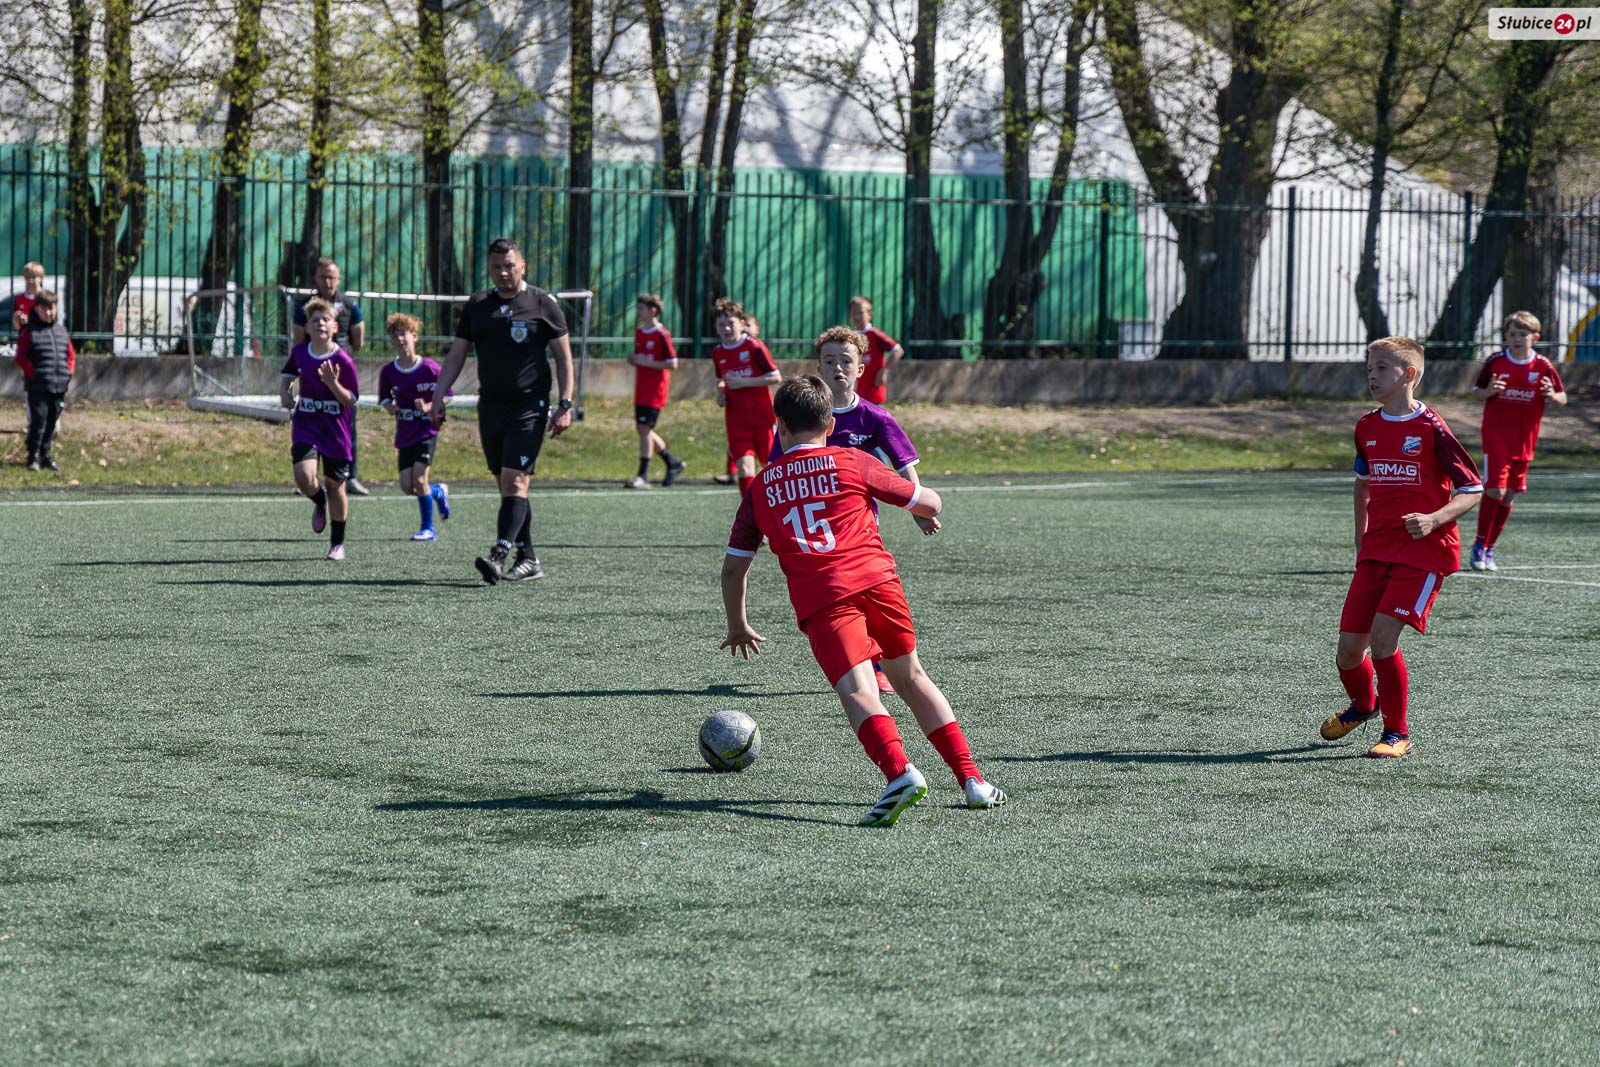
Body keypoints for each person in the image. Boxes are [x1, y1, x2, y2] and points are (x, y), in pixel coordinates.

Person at [720, 373, 1007, 827]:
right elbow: (928, 504)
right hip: (879, 583)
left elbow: (734, 568)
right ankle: (973, 781)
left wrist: (737, 624)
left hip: (825, 598)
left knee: (859, 691)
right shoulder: (852, 461)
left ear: (778, 426)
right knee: (912, 677)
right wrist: (929, 498)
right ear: (831, 424)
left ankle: (900, 772)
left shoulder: (760, 488)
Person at [1320, 337, 1482, 759]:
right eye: (1369, 368)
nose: (1372, 376)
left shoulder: (1432, 428)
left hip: (1424, 551)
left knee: (1382, 640)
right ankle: (1364, 705)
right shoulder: (1366, 427)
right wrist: (1361, 539)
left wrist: (1434, 519)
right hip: (1377, 550)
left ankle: (1396, 733)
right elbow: (1362, 487)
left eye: (1381, 368)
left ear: (1408, 374)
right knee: (1348, 652)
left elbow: (1472, 489)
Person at [768, 325, 936, 696]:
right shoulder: (803, 416)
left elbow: (904, 464)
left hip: (859, 525)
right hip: (812, 529)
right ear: (819, 368)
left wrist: (918, 508)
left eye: (846, 361)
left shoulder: (874, 417)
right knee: (830, 596)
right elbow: (776, 470)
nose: (838, 368)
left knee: (866, 590)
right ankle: (854, 661)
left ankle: (875, 665)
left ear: (861, 368)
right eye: (829, 361)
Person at [432, 237, 574, 585]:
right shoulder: (478, 305)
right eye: (497, 267)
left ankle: (498, 554)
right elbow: (457, 354)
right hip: (491, 406)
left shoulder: (542, 303)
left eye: (509, 265)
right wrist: (438, 394)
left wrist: (565, 403)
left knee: (515, 480)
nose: (503, 272)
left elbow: (564, 358)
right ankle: (529, 559)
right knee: (508, 485)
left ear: (522, 265)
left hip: (530, 405)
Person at [1467, 311, 1567, 572]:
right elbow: (1476, 391)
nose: (1517, 339)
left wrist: (1553, 396)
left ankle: (1489, 548)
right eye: (1512, 334)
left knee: (1509, 496)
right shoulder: (1496, 361)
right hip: (1496, 436)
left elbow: (1562, 396)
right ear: (1506, 337)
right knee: (1495, 490)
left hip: (1524, 440)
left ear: (1535, 337)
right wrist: (1488, 392)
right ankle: (1479, 544)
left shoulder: (1543, 365)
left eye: (1523, 334)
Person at [280, 299, 360, 561]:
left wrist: (332, 383)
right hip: (306, 425)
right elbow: (288, 374)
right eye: (315, 320)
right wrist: (284, 393)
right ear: (307, 327)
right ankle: (319, 501)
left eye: (325, 319)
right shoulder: (300, 353)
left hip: (335, 431)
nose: (320, 324)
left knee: (336, 486)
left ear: (335, 327)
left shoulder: (343, 359)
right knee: (304, 477)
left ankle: (337, 544)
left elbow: (351, 399)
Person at [292, 258, 370, 495]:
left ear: (339, 279)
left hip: (339, 374)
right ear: (315, 278)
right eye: (322, 277)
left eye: (331, 277)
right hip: (312, 373)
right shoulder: (304, 306)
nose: (327, 281)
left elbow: (358, 340)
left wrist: (339, 358)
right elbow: (298, 339)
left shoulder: (349, 305)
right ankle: (310, 478)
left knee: (346, 425)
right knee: (310, 422)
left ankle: (349, 477)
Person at [377, 313, 451, 541]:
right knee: (407, 486)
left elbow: (447, 394)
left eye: (404, 334)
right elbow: (384, 399)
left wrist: (430, 406)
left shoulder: (430, 368)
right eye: (395, 335)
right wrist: (390, 407)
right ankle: (438, 492)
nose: (400, 339)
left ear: (415, 337)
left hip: (427, 430)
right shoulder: (388, 372)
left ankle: (428, 528)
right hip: (405, 432)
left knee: (419, 480)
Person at [710, 298, 779, 497]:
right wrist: (720, 393)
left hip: (762, 420)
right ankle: (750, 512)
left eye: (730, 323)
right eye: (721, 324)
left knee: (770, 468)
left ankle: (773, 509)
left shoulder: (754, 346)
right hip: (736, 422)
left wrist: (744, 382)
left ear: (741, 324)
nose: (726, 328)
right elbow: (721, 380)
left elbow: (775, 376)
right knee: (745, 469)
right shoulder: (718, 352)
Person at [626, 294, 686, 488]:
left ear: (653, 311)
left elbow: (672, 363)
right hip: (641, 388)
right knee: (643, 429)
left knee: (644, 430)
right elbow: (641, 357)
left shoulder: (662, 334)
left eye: (641, 309)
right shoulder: (640, 332)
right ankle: (672, 462)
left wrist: (645, 362)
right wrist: (634, 360)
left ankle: (643, 475)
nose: (638, 312)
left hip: (655, 390)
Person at [15, 290, 74, 472]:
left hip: (59, 385)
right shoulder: (29, 331)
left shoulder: (61, 331)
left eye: (52, 308)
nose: (48, 312)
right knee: (38, 421)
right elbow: (21, 357)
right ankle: (32, 456)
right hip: (38, 386)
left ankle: (45, 455)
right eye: (44, 308)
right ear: (37, 309)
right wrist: (33, 373)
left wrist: (68, 373)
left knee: (51, 422)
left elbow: (70, 355)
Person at [847, 295, 904, 406]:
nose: (857, 316)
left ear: (870, 314)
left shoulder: (875, 334)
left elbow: (898, 351)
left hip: (874, 390)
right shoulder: (852, 336)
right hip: (857, 391)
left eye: (860, 312)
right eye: (854, 313)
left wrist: (884, 371)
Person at [11, 261, 46, 332]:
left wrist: (30, 321)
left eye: (34, 277)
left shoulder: (46, 298)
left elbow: (51, 322)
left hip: (43, 336)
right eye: (27, 277)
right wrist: (17, 321)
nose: (30, 280)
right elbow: (17, 328)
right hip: (25, 336)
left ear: (41, 278)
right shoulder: (18, 299)